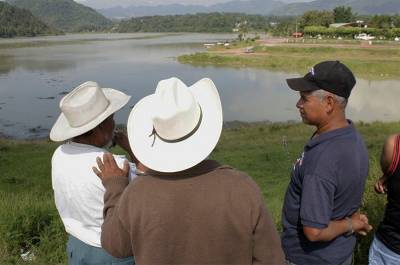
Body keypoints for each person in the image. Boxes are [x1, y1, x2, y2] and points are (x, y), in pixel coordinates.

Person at [92, 77, 285, 265]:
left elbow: (114, 245)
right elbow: (271, 258)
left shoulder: (137, 193)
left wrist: (115, 188)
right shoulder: (241, 187)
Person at [281, 61, 373, 265]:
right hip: (339, 254)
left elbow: (314, 232)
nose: (298, 104)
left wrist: (351, 223)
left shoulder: (321, 161)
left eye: (304, 98)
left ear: (329, 103)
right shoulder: (351, 136)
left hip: (308, 259)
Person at [50, 81, 136, 265]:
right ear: (99, 128)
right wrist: (132, 150)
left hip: (77, 247)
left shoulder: (60, 154)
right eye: (111, 118)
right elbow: (150, 188)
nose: (115, 124)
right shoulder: (115, 166)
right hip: (114, 253)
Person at [369, 134, 400, 264]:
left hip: (388, 249)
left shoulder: (394, 145)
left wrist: (386, 179)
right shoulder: (395, 145)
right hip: (388, 250)